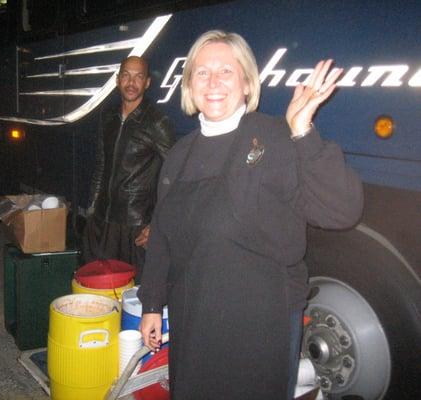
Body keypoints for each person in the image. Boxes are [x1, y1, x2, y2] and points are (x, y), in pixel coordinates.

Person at [138, 31, 363, 399]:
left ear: (246, 83)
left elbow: (341, 211)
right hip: (193, 312)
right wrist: (151, 303)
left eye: (226, 71)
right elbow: (163, 233)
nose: (213, 82)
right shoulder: (179, 154)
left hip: (260, 321)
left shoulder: (276, 136)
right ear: (189, 86)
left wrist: (303, 131)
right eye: (201, 73)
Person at [83, 56, 175, 281]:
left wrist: (157, 223)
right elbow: (101, 166)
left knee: (134, 294)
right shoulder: (108, 117)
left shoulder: (156, 122)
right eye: (126, 75)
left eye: (138, 76)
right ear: (117, 80)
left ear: (147, 83)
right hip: (103, 222)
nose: (131, 82)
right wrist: (92, 211)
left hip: (137, 227)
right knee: (99, 289)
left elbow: (177, 175)